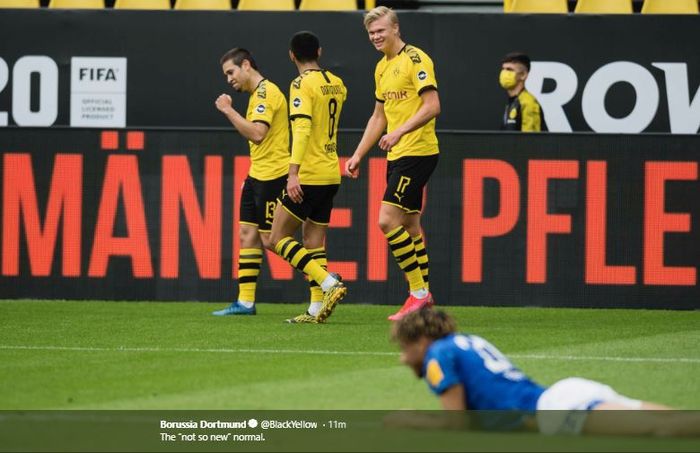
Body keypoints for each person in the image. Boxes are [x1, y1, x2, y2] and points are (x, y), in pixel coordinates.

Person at [392, 308, 700, 436]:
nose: (404, 359)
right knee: (666, 422)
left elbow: (456, 423)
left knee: (662, 429)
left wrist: (411, 420)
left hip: (555, 409)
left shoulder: (437, 355)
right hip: (564, 397)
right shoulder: (465, 341)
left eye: (406, 349)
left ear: (422, 341)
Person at [345, 6, 439, 321]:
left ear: (396, 28)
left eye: (381, 31)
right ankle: (425, 294)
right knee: (411, 225)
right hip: (398, 154)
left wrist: (399, 131)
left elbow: (432, 105)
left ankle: (418, 294)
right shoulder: (381, 68)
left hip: (418, 151)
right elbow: (378, 116)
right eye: (371, 33)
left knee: (387, 221)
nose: (376, 37)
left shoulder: (417, 60)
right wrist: (359, 153)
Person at [267, 31, 348, 324]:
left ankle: (328, 283)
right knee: (313, 241)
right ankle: (316, 309)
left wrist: (293, 173)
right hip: (331, 171)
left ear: (291, 55)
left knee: (276, 238)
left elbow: (301, 129)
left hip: (310, 172)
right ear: (320, 51)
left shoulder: (300, 84)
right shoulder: (337, 84)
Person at [212, 48, 289, 316]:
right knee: (247, 236)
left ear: (246, 65)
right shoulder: (258, 95)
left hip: (274, 176)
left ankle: (324, 279)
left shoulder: (266, 93)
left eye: (231, 72)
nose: (229, 80)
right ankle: (245, 302)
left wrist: (228, 111)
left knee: (271, 239)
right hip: (257, 174)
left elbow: (257, 134)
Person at [499, 52, 544, 132]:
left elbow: (530, 141)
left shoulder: (528, 103)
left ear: (523, 75)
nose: (504, 73)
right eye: (503, 69)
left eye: (509, 69)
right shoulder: (512, 102)